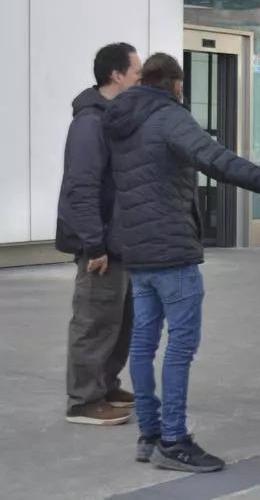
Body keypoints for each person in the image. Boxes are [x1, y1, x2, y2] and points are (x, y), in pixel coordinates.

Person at [104, 53, 260, 473]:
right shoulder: (169, 117)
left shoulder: (121, 120)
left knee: (143, 344)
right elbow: (215, 159)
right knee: (180, 347)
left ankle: (150, 435)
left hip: (137, 249)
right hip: (171, 250)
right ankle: (174, 440)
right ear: (175, 84)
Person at [57, 43, 143, 426]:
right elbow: (82, 186)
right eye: (136, 71)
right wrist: (94, 244)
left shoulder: (114, 118)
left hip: (121, 241)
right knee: (94, 321)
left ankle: (106, 385)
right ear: (116, 75)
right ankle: (84, 400)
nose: (139, 78)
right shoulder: (90, 122)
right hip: (101, 244)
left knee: (120, 320)